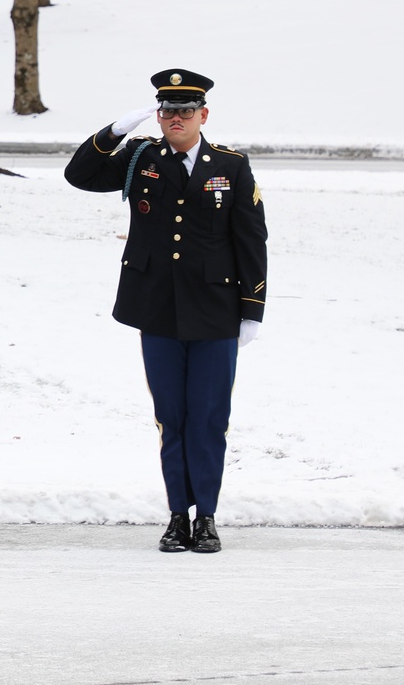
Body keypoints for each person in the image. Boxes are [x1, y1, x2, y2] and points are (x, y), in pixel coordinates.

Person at [64, 69, 267, 553]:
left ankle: (208, 518)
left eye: (186, 111)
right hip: (156, 308)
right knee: (170, 417)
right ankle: (178, 516)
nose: (176, 119)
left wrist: (252, 309)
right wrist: (115, 132)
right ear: (158, 116)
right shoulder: (139, 157)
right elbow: (79, 175)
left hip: (216, 311)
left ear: (204, 115)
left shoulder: (231, 166)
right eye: (167, 111)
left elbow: (251, 239)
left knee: (210, 418)